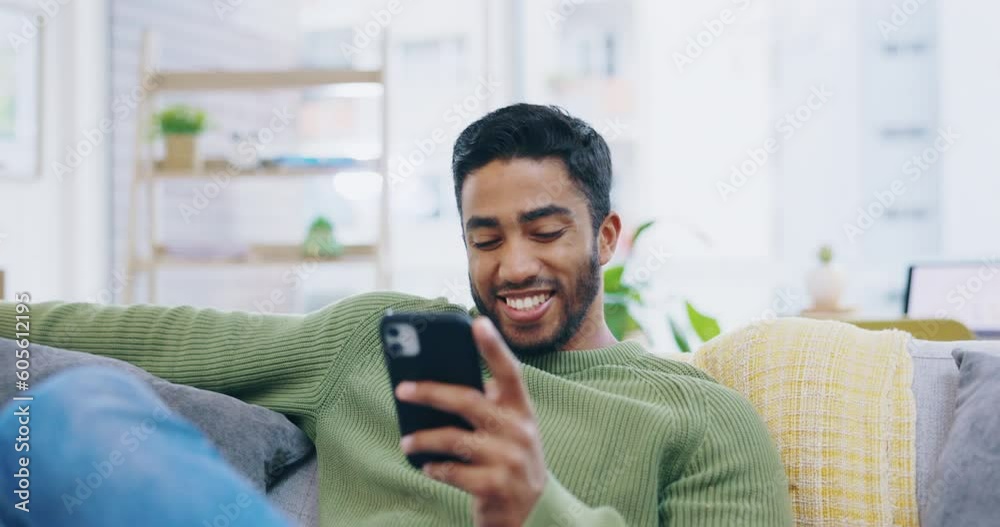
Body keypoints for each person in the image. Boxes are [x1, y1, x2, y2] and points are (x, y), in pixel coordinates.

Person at [0, 104, 792, 526]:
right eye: (486, 238)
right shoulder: (370, 340)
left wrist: (535, 507)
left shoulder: (706, 422)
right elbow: (165, 339)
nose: (514, 265)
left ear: (607, 235)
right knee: (71, 415)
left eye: (546, 232)